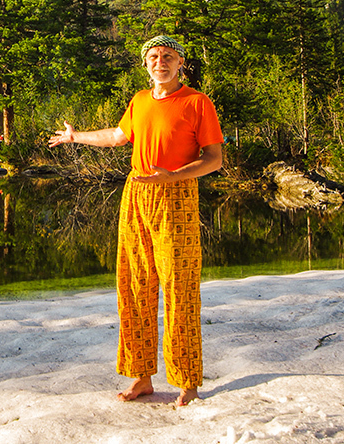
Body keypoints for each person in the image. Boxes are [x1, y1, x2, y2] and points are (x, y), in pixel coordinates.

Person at [49, 34, 223, 407]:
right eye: (154, 56)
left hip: (176, 196)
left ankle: (187, 381)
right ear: (146, 65)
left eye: (168, 56)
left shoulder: (197, 102)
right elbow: (117, 135)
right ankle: (141, 377)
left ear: (180, 64)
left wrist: (172, 176)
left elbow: (214, 159)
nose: (160, 62)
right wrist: (75, 136)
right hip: (136, 196)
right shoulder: (140, 101)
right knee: (135, 286)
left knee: (180, 289)